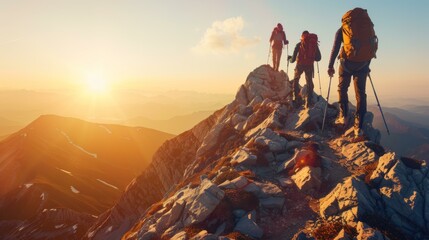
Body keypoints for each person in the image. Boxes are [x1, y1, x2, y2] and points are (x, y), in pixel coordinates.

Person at [327, 8, 377, 137]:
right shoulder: (367, 29)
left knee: (342, 88)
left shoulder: (342, 30)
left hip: (346, 64)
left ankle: (343, 115)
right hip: (363, 64)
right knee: (360, 93)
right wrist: (367, 64)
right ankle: (358, 126)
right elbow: (371, 47)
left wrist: (330, 66)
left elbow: (335, 48)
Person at [288, 31, 321, 108]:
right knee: (309, 82)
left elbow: (293, 60)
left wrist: (289, 59)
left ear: (302, 36)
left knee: (296, 80)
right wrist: (312, 57)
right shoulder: (314, 44)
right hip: (309, 65)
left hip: (300, 65)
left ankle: (295, 98)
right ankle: (309, 101)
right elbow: (319, 58)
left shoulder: (299, 44)